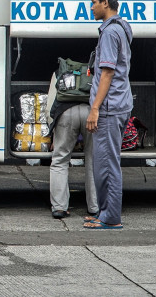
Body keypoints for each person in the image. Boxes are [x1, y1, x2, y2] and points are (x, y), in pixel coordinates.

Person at [83, 0, 133, 230]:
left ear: (105, 3)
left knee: (107, 163)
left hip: (109, 107)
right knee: (103, 162)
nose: (90, 7)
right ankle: (104, 212)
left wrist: (94, 109)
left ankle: (110, 217)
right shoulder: (121, 26)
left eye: (93, 2)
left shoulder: (111, 33)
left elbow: (107, 73)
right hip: (115, 105)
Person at [48, 78, 98, 219]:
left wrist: (52, 132)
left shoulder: (61, 70)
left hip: (65, 112)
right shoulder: (96, 69)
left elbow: (50, 104)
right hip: (91, 111)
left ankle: (59, 207)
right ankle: (94, 207)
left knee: (60, 159)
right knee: (93, 160)